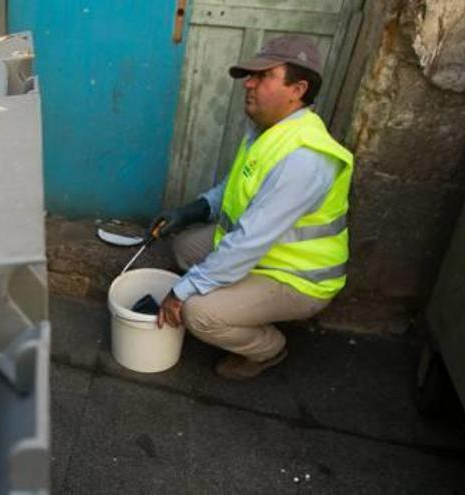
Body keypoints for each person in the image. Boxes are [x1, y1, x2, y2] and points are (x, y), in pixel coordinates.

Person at [148, 35, 354, 380]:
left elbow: (248, 242)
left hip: (298, 277)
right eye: (249, 75)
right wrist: (191, 211)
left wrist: (181, 292)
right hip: (267, 252)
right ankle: (242, 302)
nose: (249, 84)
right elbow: (232, 189)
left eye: (263, 76)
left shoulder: (305, 159)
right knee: (184, 247)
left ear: (297, 89)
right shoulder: (266, 130)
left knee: (198, 312)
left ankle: (269, 348)